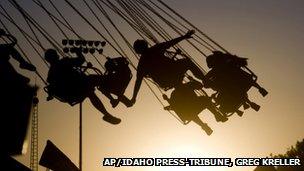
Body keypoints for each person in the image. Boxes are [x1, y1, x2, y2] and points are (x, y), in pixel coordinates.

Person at [44, 48, 121, 124]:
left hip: (74, 92)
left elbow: (53, 86)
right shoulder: (64, 62)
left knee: (91, 93)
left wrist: (50, 94)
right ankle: (114, 92)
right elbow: (80, 60)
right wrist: (78, 52)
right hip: (77, 87)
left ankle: (107, 112)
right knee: (96, 80)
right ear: (55, 56)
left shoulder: (51, 73)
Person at [130, 30, 206, 105]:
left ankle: (203, 80)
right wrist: (184, 36)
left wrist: (134, 97)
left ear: (138, 51)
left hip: (164, 82)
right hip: (173, 72)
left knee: (185, 62)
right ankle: (204, 79)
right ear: (145, 45)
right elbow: (171, 42)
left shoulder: (141, 63)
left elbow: (138, 82)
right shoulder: (155, 49)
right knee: (187, 62)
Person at [163, 79, 227, 135]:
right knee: (194, 108)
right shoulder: (182, 89)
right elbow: (175, 107)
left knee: (201, 102)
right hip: (191, 109)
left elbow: (200, 86)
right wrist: (167, 100)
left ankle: (215, 117)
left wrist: (168, 101)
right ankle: (214, 118)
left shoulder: (176, 92)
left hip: (193, 108)